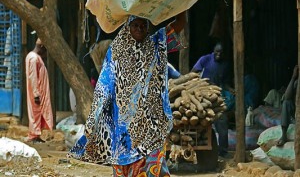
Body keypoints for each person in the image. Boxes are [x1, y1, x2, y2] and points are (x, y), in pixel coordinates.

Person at [68, 11, 187, 176]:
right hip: (125, 128)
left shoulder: (154, 45)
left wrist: (182, 7)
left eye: (143, 25)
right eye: (135, 25)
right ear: (128, 26)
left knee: (152, 167)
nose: (139, 29)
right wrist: (96, 115)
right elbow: (104, 84)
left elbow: (178, 25)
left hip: (151, 124)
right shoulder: (116, 51)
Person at [191, 42, 234, 158]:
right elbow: (193, 73)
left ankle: (223, 152)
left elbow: (224, 83)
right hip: (201, 94)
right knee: (199, 122)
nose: (218, 54)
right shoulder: (205, 59)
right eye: (217, 52)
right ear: (213, 51)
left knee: (222, 122)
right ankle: (197, 152)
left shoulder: (225, 65)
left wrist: (230, 89)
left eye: (221, 53)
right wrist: (201, 83)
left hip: (216, 96)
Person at [25, 38, 53, 143]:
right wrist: (36, 94)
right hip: (36, 91)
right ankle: (34, 136)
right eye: (45, 49)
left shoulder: (34, 57)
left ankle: (36, 134)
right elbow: (33, 77)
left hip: (38, 90)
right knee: (35, 112)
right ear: (41, 46)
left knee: (37, 112)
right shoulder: (33, 58)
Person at [276, 65, 298, 147]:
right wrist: (293, 77)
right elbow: (287, 97)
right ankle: (284, 135)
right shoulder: (297, 82)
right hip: (296, 115)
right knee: (286, 103)